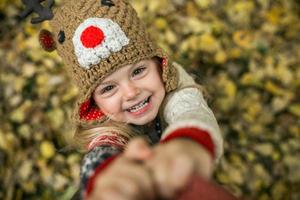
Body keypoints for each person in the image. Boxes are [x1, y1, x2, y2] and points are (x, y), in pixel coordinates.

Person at [47, 0, 223, 199]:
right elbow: (100, 151)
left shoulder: (175, 83)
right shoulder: (105, 126)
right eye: (109, 88)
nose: (131, 93)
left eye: (138, 71)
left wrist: (188, 143)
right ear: (94, 102)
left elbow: (190, 109)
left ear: (158, 64)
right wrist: (107, 174)